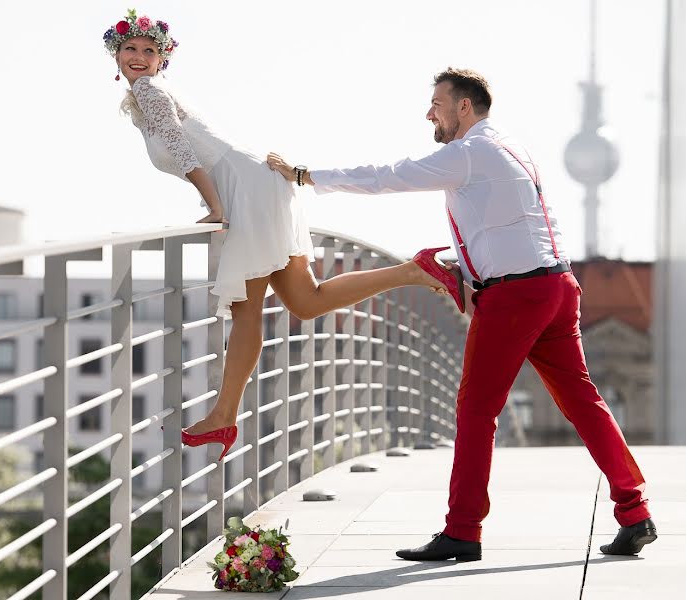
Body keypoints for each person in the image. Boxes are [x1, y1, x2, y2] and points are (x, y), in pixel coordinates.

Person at [267, 67, 656, 558]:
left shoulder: (467, 153)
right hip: (558, 284)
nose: (430, 112)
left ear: (464, 107)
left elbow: (387, 178)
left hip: (516, 298)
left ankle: (462, 530)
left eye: (437, 103)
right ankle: (635, 510)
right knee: (585, 403)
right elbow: (509, 227)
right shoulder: (514, 147)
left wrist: (305, 177)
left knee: (476, 411)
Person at [103, 9, 464, 461]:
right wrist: (217, 199)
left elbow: (181, 149)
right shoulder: (148, 95)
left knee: (246, 310)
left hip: (244, 191)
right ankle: (415, 270)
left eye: (148, 51)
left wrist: (214, 205)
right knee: (305, 301)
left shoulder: (152, 90)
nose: (138, 58)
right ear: (116, 54)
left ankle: (223, 417)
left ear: (162, 60)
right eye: (131, 49)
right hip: (251, 184)